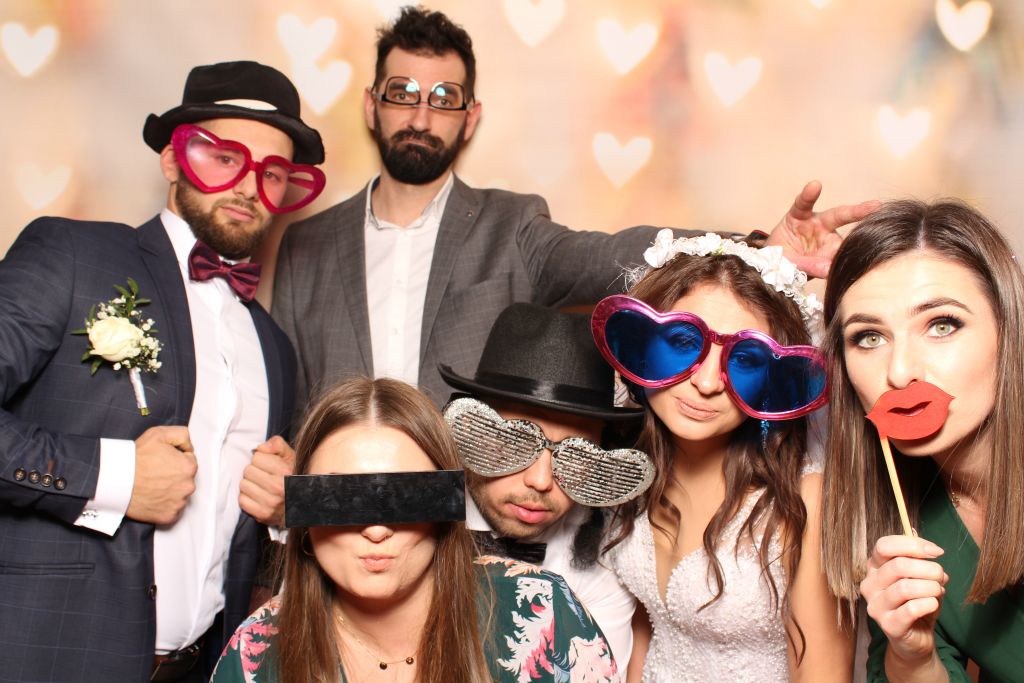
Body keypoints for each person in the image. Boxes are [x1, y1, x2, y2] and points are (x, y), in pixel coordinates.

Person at [271, 5, 879, 413]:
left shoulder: (511, 227)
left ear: (470, 117)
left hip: (467, 529)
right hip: (333, 527)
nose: (422, 116)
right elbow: (287, 399)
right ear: (372, 105)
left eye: (444, 97)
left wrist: (757, 249)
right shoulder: (307, 244)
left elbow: (614, 252)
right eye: (402, 94)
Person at [0, 61, 326, 682]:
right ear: (174, 160)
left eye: (271, 173)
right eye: (224, 158)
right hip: (44, 658)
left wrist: (287, 509)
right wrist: (116, 477)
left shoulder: (275, 348)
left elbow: (241, 538)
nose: (247, 186)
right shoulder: (73, 255)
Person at [211, 376, 620, 682]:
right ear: (302, 511)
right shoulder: (254, 651)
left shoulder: (543, 611)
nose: (376, 530)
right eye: (342, 497)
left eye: (406, 496)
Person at [592, 231, 853, 681]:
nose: (709, 382)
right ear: (642, 341)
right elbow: (645, 636)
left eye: (745, 359)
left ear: (772, 378)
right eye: (683, 342)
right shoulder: (629, 470)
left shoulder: (805, 501)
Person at [819, 200, 1024, 682]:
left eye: (941, 325)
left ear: (1010, 332)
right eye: (869, 337)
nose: (899, 372)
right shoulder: (902, 520)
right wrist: (912, 655)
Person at [439, 302, 654, 669]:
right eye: (515, 441)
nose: (540, 481)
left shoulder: (609, 550)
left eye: (576, 455)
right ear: (471, 428)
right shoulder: (411, 522)